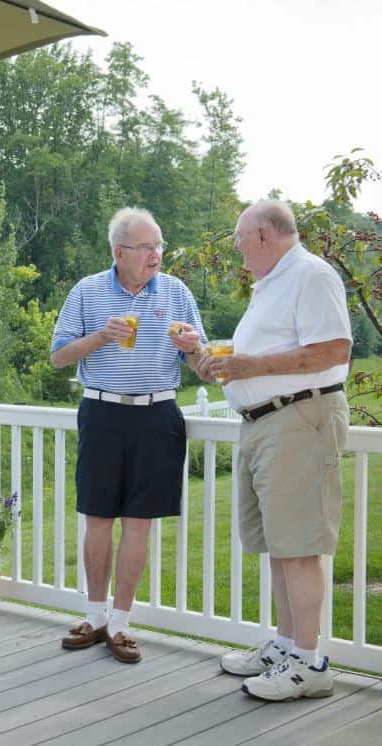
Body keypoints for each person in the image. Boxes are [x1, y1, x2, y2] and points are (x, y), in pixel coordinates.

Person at [202, 200, 351, 701]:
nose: (238, 250)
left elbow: (334, 350)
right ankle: (287, 646)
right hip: (267, 423)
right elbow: (269, 350)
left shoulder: (312, 275)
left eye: (240, 239)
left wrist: (251, 368)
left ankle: (310, 665)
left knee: (299, 547)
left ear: (264, 235)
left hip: (299, 420)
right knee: (280, 545)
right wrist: (222, 363)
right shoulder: (273, 282)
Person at [50, 207, 206, 663]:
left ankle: (120, 624)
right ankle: (94, 616)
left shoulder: (176, 292)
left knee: (139, 523)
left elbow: (202, 365)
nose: (157, 254)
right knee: (97, 518)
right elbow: (59, 356)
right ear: (120, 252)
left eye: (160, 245)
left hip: (158, 415)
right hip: (101, 411)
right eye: (147, 247)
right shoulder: (88, 291)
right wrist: (100, 337)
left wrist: (193, 349)